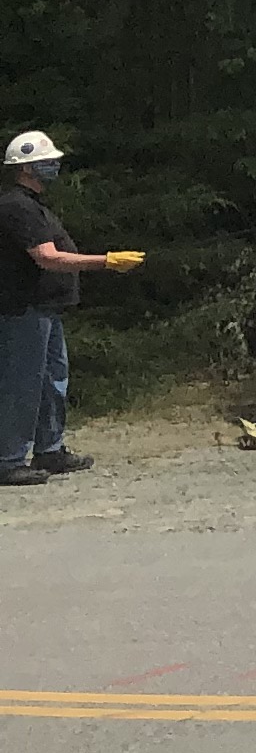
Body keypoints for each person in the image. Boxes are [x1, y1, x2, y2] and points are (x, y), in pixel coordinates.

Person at [3, 130, 126, 487]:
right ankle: (9, 459)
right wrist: (106, 261)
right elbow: (47, 257)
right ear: (25, 168)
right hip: (22, 309)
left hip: (45, 309)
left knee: (52, 380)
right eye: (46, 162)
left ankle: (49, 449)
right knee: (21, 384)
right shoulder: (17, 206)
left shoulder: (33, 205)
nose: (53, 166)